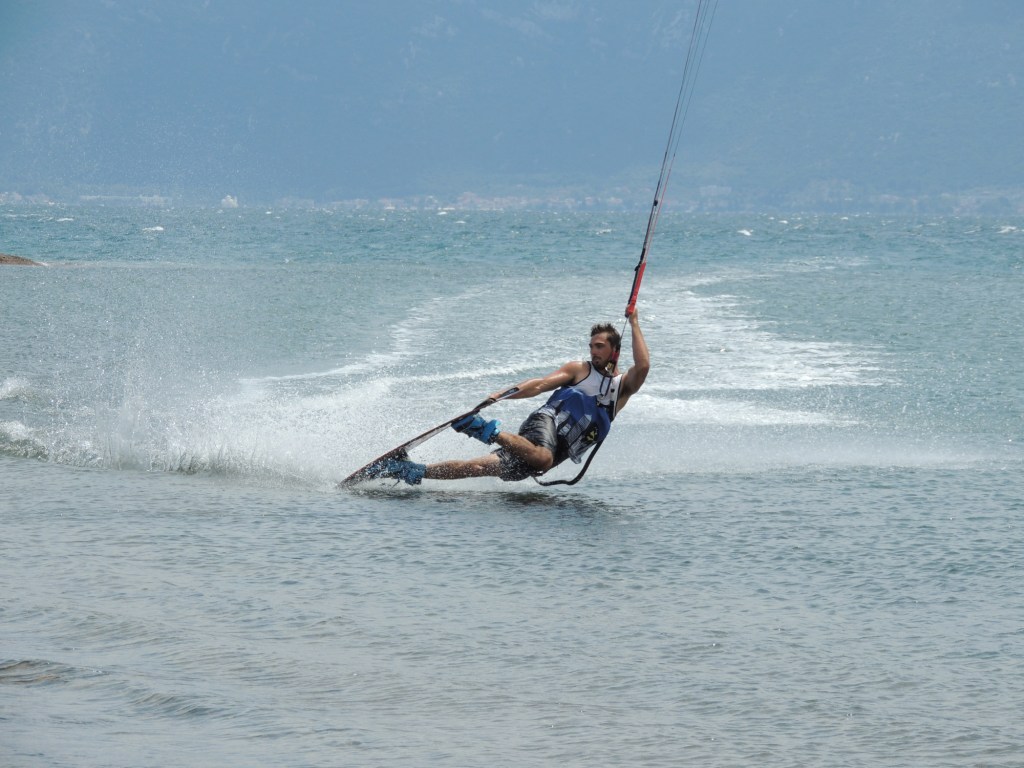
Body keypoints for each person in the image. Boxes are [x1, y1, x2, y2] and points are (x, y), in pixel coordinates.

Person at [367, 310, 649, 485]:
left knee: (478, 468)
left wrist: (634, 323)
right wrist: (503, 395)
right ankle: (481, 428)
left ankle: (406, 470)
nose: (593, 351)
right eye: (591, 346)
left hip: (551, 451)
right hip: (544, 426)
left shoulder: (620, 389)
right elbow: (540, 385)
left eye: (600, 347)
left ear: (615, 351)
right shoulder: (580, 370)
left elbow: (643, 366)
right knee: (542, 458)